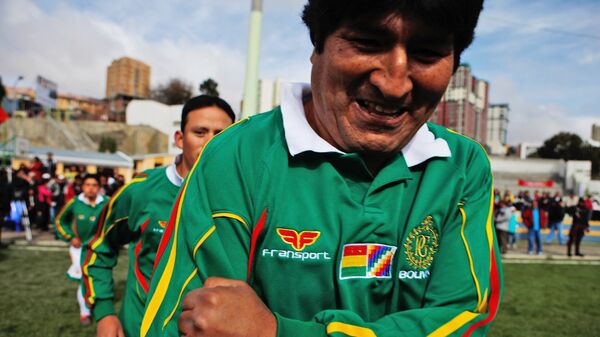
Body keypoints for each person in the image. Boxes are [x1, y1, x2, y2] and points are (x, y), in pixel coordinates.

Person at [142, 1, 502, 337]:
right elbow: (185, 321)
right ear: (318, 44)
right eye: (367, 42)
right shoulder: (236, 156)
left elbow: (462, 317)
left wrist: (278, 331)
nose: (394, 84)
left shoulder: (461, 165)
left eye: (427, 53)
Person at [81, 96, 235, 337]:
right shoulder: (142, 190)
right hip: (140, 328)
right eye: (200, 132)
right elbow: (97, 246)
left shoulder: (240, 199)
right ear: (180, 139)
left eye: (220, 134)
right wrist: (105, 312)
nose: (211, 142)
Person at [54, 174, 109, 325]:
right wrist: (70, 237)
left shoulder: (107, 203)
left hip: (100, 249)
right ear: (82, 187)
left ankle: (100, 307)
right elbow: (60, 220)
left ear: (99, 188)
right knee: (84, 279)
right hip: (79, 249)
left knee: (100, 278)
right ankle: (85, 312)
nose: (90, 188)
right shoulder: (75, 202)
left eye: (94, 185)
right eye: (87, 185)